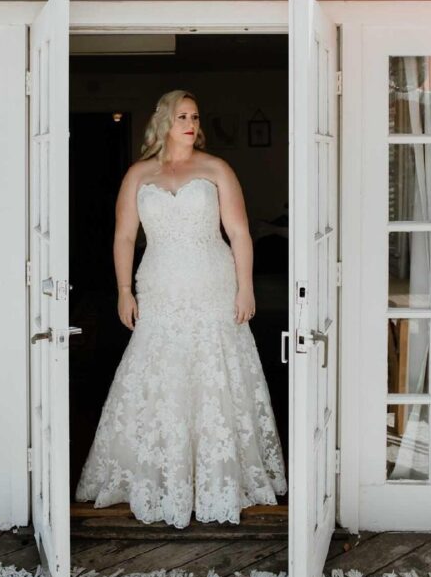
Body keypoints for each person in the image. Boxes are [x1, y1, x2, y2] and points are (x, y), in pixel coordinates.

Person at [75, 89, 287, 528]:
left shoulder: (216, 169)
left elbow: (241, 233)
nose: (190, 124)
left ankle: (217, 477)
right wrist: (122, 290)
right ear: (164, 123)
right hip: (160, 286)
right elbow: (122, 238)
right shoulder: (138, 174)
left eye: (194, 116)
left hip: (212, 284)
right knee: (158, 375)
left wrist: (246, 288)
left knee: (215, 376)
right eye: (181, 116)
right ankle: (155, 475)